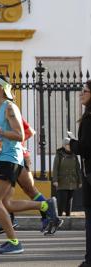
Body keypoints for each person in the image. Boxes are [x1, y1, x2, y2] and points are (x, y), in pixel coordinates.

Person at [0, 75, 60, 254]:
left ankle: (14, 242)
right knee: (6, 203)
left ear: (0, 88)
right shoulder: (0, 108)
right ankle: (44, 206)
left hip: (9, 159)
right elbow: (7, 135)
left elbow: (20, 135)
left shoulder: (10, 107)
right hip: (8, 158)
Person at [68, 80, 91, 267]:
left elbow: (86, 147)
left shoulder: (90, 117)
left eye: (84, 91)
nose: (80, 94)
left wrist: (71, 144)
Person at [52, 139, 82, 217]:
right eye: (68, 145)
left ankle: (68, 216)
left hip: (72, 181)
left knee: (69, 200)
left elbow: (78, 169)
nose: (69, 147)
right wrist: (55, 180)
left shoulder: (74, 155)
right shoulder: (59, 155)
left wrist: (80, 181)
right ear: (64, 146)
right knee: (62, 200)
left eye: (70, 145)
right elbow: (55, 168)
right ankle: (59, 215)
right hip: (62, 181)